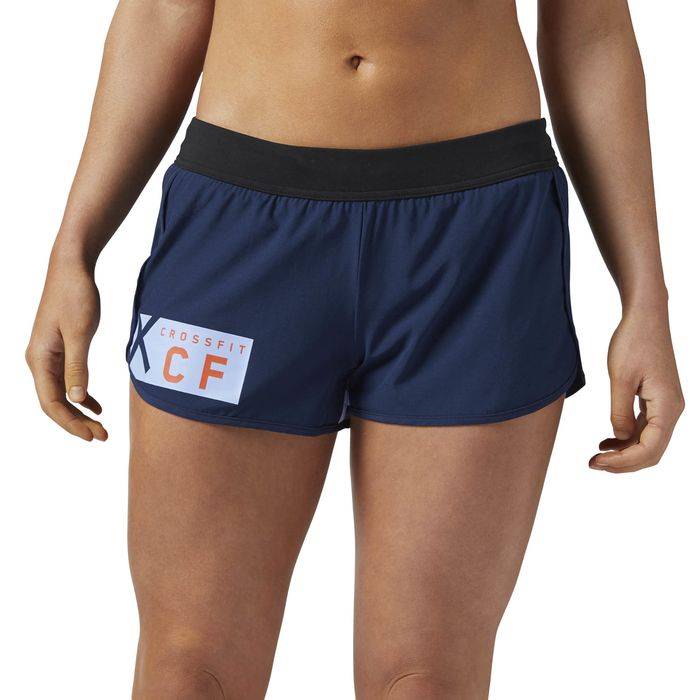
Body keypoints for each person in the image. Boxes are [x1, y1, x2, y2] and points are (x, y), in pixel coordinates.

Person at [26, 1, 684, 698]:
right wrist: (74, 248)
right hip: (241, 226)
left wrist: (645, 298)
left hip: (477, 244)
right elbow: (163, 10)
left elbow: (592, 32)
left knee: (426, 681)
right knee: (187, 674)